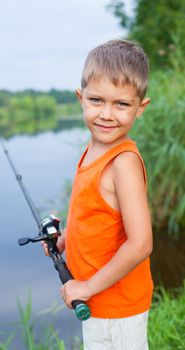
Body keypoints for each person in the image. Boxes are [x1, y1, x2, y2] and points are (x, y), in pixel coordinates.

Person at [43, 39, 154, 350]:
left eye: (121, 104)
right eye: (96, 100)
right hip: (97, 301)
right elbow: (98, 214)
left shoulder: (123, 163)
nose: (106, 114)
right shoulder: (94, 149)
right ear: (81, 99)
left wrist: (88, 287)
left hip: (116, 307)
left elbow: (141, 243)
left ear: (140, 108)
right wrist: (66, 237)